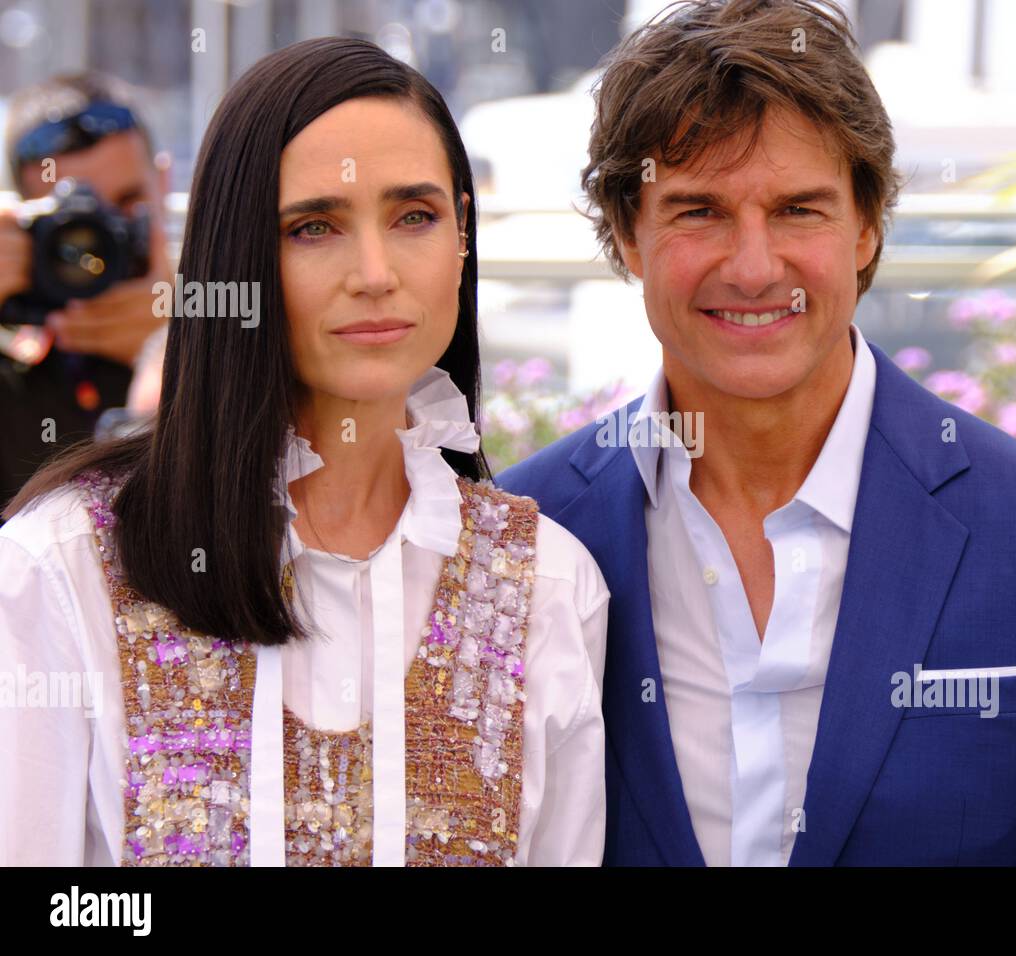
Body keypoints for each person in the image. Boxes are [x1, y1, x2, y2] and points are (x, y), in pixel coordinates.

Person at [497, 0, 1016, 866]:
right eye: (698, 211)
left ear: (868, 224)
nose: (752, 265)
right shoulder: (522, 540)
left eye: (798, 210)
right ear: (628, 232)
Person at [0, 37, 608, 866]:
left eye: (415, 216)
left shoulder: (544, 584)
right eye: (313, 226)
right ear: (238, 254)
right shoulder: (63, 565)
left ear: (463, 235)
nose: (374, 271)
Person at [0, 72, 172, 515]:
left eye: (127, 201)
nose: (98, 238)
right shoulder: (13, 369)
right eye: (71, 218)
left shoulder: (239, 323)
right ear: (28, 225)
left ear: (163, 184)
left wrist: (176, 347)